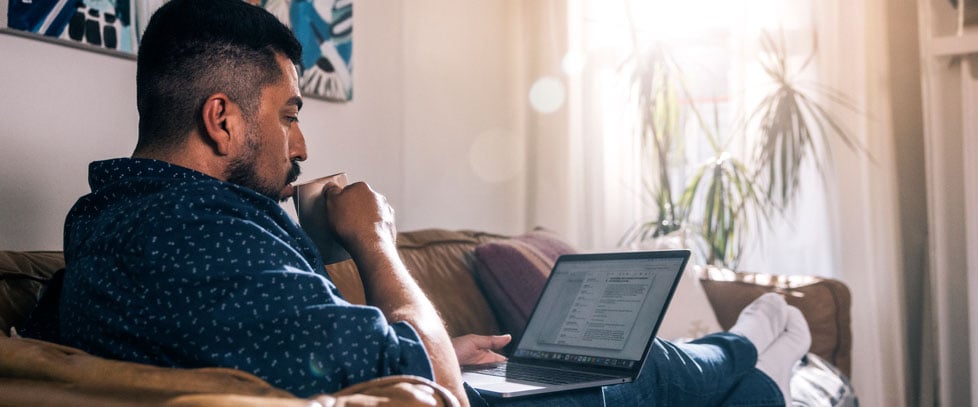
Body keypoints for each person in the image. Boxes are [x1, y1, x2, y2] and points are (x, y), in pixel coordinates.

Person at [22, 0, 811, 406]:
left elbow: (303, 337)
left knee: (735, 397)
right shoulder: (200, 247)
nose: (303, 146)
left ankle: (759, 365)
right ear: (223, 117)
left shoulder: (110, 219)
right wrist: (375, 239)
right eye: (290, 113)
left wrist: (426, 331)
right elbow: (436, 389)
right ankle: (756, 341)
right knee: (665, 368)